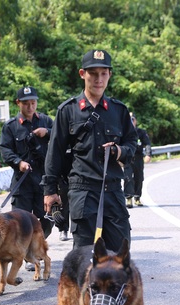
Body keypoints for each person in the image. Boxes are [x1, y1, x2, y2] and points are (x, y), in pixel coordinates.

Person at [41, 49, 138, 252]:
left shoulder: (118, 110)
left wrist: (119, 151)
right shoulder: (68, 110)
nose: (98, 79)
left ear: (110, 75)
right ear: (82, 74)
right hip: (82, 191)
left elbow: (132, 142)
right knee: (83, 257)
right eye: (93, 73)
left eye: (103, 73)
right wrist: (50, 191)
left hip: (112, 189)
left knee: (120, 255)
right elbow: (55, 152)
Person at [0, 86, 54, 268]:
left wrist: (48, 133)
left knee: (45, 219)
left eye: (33, 103)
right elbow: (5, 149)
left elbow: (63, 139)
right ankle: (29, 256)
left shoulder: (46, 121)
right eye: (26, 103)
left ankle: (35, 248)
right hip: (22, 181)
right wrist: (18, 162)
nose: (30, 107)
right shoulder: (11, 126)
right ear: (18, 103)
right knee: (20, 222)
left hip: (43, 180)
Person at [124, 112, 152, 208]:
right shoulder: (124, 131)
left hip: (138, 158)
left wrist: (148, 154)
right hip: (128, 158)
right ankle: (128, 198)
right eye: (129, 119)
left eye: (133, 119)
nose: (131, 121)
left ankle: (137, 198)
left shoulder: (141, 132)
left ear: (135, 121)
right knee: (128, 178)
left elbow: (147, 143)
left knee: (139, 178)